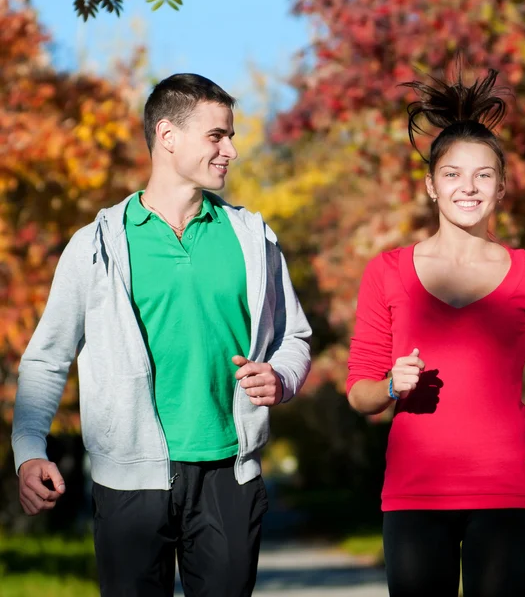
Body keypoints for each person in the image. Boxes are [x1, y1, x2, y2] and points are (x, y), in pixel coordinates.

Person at [12, 73, 312, 597]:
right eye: (217, 136)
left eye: (231, 136)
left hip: (229, 474)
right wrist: (29, 449)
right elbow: (47, 358)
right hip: (127, 481)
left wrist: (281, 377)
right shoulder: (97, 244)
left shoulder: (252, 237)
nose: (232, 151)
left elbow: (296, 339)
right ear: (168, 135)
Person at [346, 64, 525, 597]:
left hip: (505, 491)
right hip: (415, 496)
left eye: (483, 175)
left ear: (501, 188)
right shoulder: (385, 272)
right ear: (432, 186)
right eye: (453, 174)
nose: (469, 187)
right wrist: (392, 384)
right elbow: (361, 394)